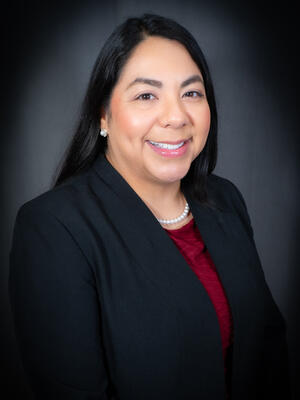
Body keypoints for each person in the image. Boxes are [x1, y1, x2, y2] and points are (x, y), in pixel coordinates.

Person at [9, 13, 291, 400]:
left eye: (192, 93)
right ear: (103, 114)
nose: (176, 117)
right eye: (146, 95)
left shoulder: (226, 200)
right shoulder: (53, 229)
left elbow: (269, 355)